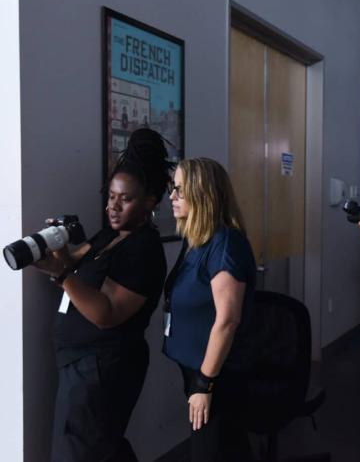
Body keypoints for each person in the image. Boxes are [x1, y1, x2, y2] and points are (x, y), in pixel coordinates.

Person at [33, 128, 171, 461]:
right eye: (111, 196)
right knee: (97, 449)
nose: (113, 205)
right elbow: (75, 261)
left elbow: (107, 314)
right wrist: (55, 245)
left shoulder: (143, 250)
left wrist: (63, 274)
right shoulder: (110, 236)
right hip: (82, 365)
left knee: (80, 452)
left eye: (125, 198)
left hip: (101, 369)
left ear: (149, 202)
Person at [163, 158, 256, 462]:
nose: (172, 196)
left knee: (211, 452)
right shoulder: (197, 241)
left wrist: (205, 383)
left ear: (203, 194)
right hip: (197, 371)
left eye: (180, 190)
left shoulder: (225, 244)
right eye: (172, 189)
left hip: (217, 375)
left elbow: (227, 320)